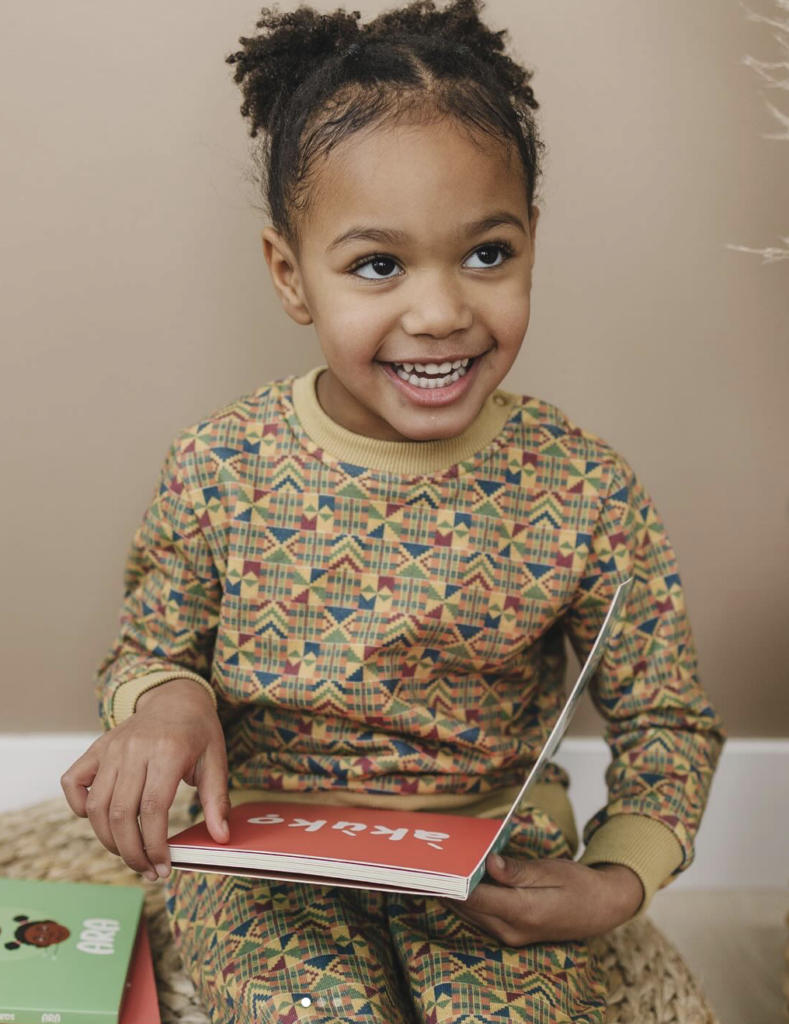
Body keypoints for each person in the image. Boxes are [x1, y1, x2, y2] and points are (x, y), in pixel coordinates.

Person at [60, 1, 728, 1021]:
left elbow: (666, 718)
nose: (441, 310)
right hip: (264, 855)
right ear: (292, 274)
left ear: (533, 239)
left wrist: (618, 879)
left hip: (492, 855)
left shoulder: (584, 489)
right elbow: (146, 652)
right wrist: (163, 705)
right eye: (379, 264)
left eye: (487, 254)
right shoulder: (221, 465)